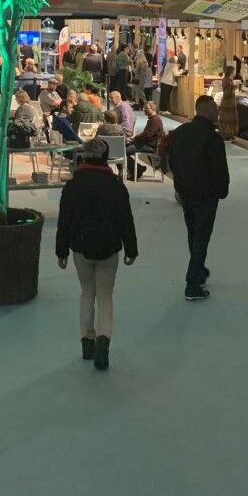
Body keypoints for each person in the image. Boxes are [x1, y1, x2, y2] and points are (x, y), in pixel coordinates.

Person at [55, 136, 139, 371]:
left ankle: (87, 341)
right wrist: (131, 248)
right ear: (105, 158)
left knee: (86, 293)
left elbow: (64, 221)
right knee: (105, 296)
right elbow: (126, 219)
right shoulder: (115, 186)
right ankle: (103, 340)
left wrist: (61, 250)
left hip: (80, 247)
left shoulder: (72, 186)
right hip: (108, 247)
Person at [166, 95, 230, 301]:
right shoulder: (213, 138)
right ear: (207, 109)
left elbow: (172, 161)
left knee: (194, 234)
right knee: (201, 237)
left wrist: (179, 183)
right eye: (215, 108)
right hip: (206, 194)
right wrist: (222, 191)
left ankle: (199, 270)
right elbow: (219, 170)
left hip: (186, 192)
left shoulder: (181, 133)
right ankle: (192, 283)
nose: (218, 111)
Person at [127, 100, 164, 179]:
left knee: (124, 151)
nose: (144, 109)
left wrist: (135, 138)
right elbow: (146, 134)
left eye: (146, 108)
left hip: (150, 146)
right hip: (148, 144)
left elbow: (147, 135)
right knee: (125, 148)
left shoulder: (155, 120)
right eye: (144, 108)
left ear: (153, 109)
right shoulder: (153, 119)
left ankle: (138, 170)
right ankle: (139, 168)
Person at [217, 66, 239, 140]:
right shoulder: (226, 80)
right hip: (228, 102)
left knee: (231, 118)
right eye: (233, 71)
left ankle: (230, 134)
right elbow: (227, 92)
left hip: (230, 101)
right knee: (228, 118)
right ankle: (226, 135)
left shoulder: (229, 79)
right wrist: (235, 87)